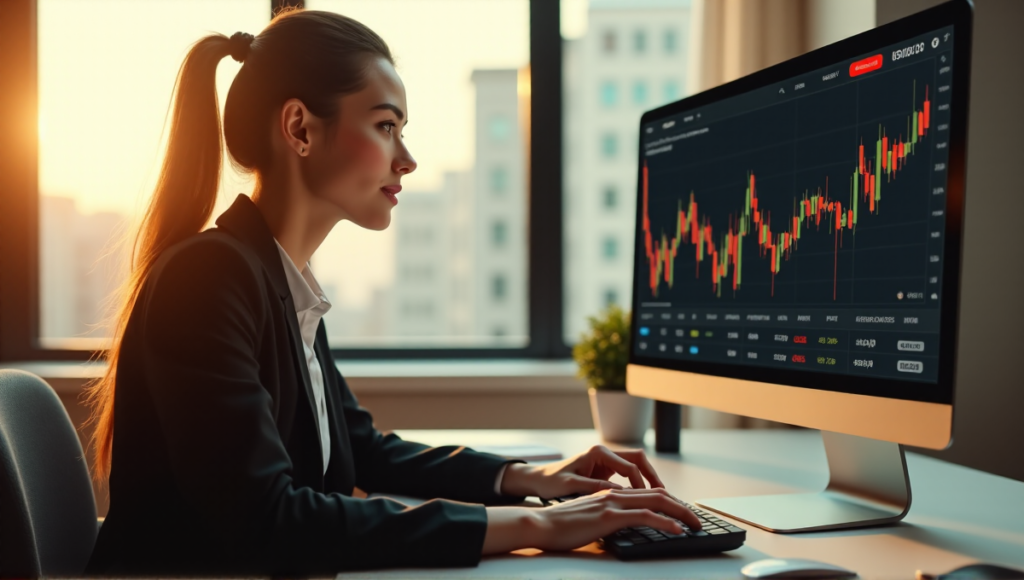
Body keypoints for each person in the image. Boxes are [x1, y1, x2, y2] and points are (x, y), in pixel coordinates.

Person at [83, 8, 699, 576]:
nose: (406, 158)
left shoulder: (279, 281)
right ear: (300, 128)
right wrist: (539, 525)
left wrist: (531, 480)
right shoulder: (209, 279)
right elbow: (269, 519)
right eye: (385, 126)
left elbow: (366, 451)